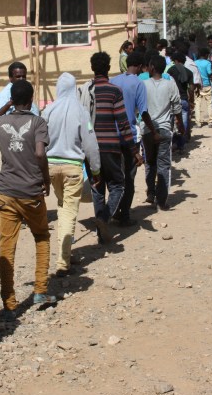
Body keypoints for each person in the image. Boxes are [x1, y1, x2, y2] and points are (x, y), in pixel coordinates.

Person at [0, 80, 56, 314]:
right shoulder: (38, 122)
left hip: (6, 192)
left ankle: (9, 301)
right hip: (31, 192)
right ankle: (40, 290)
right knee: (41, 236)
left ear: (11, 100)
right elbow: (40, 153)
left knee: (7, 247)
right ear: (31, 100)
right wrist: (46, 179)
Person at [42, 73, 101, 276]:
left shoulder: (48, 110)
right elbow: (91, 144)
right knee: (68, 211)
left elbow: (40, 141)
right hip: (73, 169)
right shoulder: (81, 111)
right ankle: (62, 262)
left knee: (63, 207)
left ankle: (65, 252)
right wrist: (95, 170)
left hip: (50, 167)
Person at [82, 52, 142, 243]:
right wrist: (134, 151)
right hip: (110, 148)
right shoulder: (114, 91)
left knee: (97, 188)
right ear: (108, 68)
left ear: (92, 68)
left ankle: (102, 235)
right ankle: (104, 218)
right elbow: (123, 123)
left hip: (90, 148)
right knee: (117, 185)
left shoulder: (85, 91)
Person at [110, 50, 155, 226]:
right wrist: (153, 130)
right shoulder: (138, 84)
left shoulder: (113, 81)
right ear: (140, 66)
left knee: (115, 177)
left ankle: (114, 210)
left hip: (111, 136)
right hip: (130, 137)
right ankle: (124, 215)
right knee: (129, 177)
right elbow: (143, 112)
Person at [142, 55, 184, 210]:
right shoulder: (170, 84)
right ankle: (161, 200)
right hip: (165, 129)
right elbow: (177, 107)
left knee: (150, 162)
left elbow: (139, 108)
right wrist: (181, 124)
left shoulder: (143, 85)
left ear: (152, 67)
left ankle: (151, 193)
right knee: (164, 165)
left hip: (147, 130)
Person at [167, 51, 195, 151]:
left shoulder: (171, 70)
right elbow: (191, 89)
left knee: (172, 123)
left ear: (175, 60)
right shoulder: (189, 72)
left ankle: (172, 142)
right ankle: (182, 142)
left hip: (172, 100)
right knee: (184, 122)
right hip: (184, 99)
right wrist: (191, 101)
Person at [194, 47, 212, 127]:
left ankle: (198, 122)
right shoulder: (207, 63)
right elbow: (209, 72)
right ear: (206, 55)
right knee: (209, 103)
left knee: (197, 104)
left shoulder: (195, 63)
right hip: (207, 85)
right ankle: (210, 122)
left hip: (198, 85)